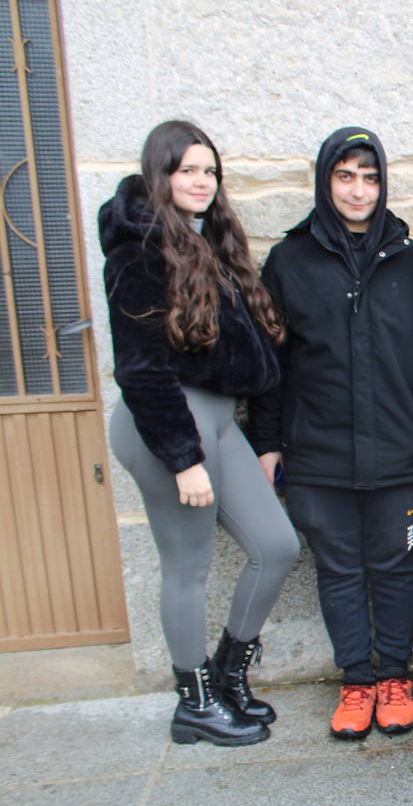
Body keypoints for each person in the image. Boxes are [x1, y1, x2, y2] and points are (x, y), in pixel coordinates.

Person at [245, 127, 413, 740]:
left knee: (393, 566)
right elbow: (270, 364)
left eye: (370, 176)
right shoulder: (290, 260)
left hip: (396, 449)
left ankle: (395, 678)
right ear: (325, 181)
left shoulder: (412, 259)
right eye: (346, 175)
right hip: (317, 452)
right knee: (336, 568)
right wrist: (268, 442)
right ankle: (357, 680)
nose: (359, 189)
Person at [102, 120, 299, 746]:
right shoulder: (138, 248)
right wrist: (183, 458)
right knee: (185, 566)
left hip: (218, 419)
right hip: (166, 425)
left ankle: (226, 675)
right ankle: (194, 702)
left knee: (277, 545)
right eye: (187, 170)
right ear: (159, 175)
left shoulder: (207, 240)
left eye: (209, 171)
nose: (201, 181)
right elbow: (139, 367)